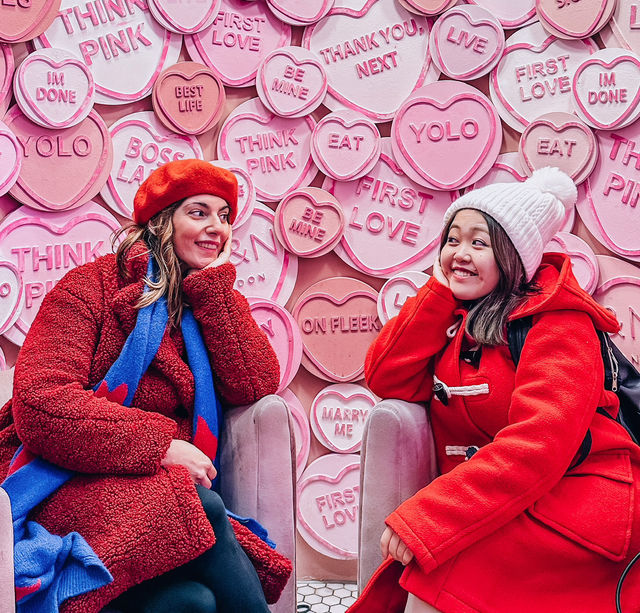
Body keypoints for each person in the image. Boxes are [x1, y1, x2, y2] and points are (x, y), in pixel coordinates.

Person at [0, 159, 292, 613]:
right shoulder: (88, 287)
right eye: (198, 212)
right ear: (161, 220)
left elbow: (254, 385)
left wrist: (214, 289)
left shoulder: (206, 302)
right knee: (198, 503)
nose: (215, 227)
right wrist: (160, 447)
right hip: (65, 480)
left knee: (193, 602)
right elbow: (41, 403)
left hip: (152, 488)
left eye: (224, 216)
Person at [351, 166, 640, 613]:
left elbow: (538, 446)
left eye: (478, 242)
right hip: (511, 498)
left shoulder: (559, 322)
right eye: (452, 239)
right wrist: (437, 292)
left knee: (435, 574)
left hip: (575, 501)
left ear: (511, 255)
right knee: (428, 577)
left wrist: (430, 516)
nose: (459, 253)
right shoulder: (458, 317)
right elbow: (387, 377)